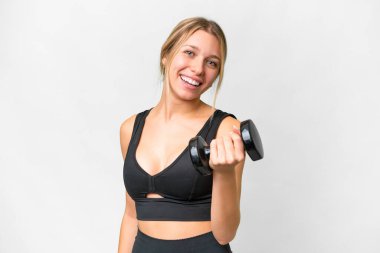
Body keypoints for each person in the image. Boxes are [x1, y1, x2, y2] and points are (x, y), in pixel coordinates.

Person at [118, 17, 245, 253]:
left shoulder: (225, 129)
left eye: (212, 63)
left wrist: (225, 171)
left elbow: (226, 232)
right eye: (189, 52)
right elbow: (130, 215)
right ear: (166, 55)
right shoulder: (130, 128)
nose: (198, 69)